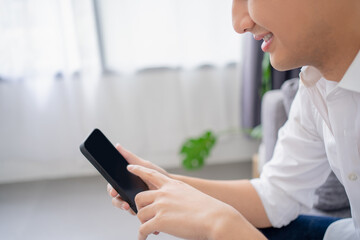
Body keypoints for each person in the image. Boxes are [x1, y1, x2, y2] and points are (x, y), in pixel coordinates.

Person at [107, 0, 360, 239]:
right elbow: (275, 196)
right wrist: (164, 183)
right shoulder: (316, 87)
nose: (239, 23)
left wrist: (220, 223)